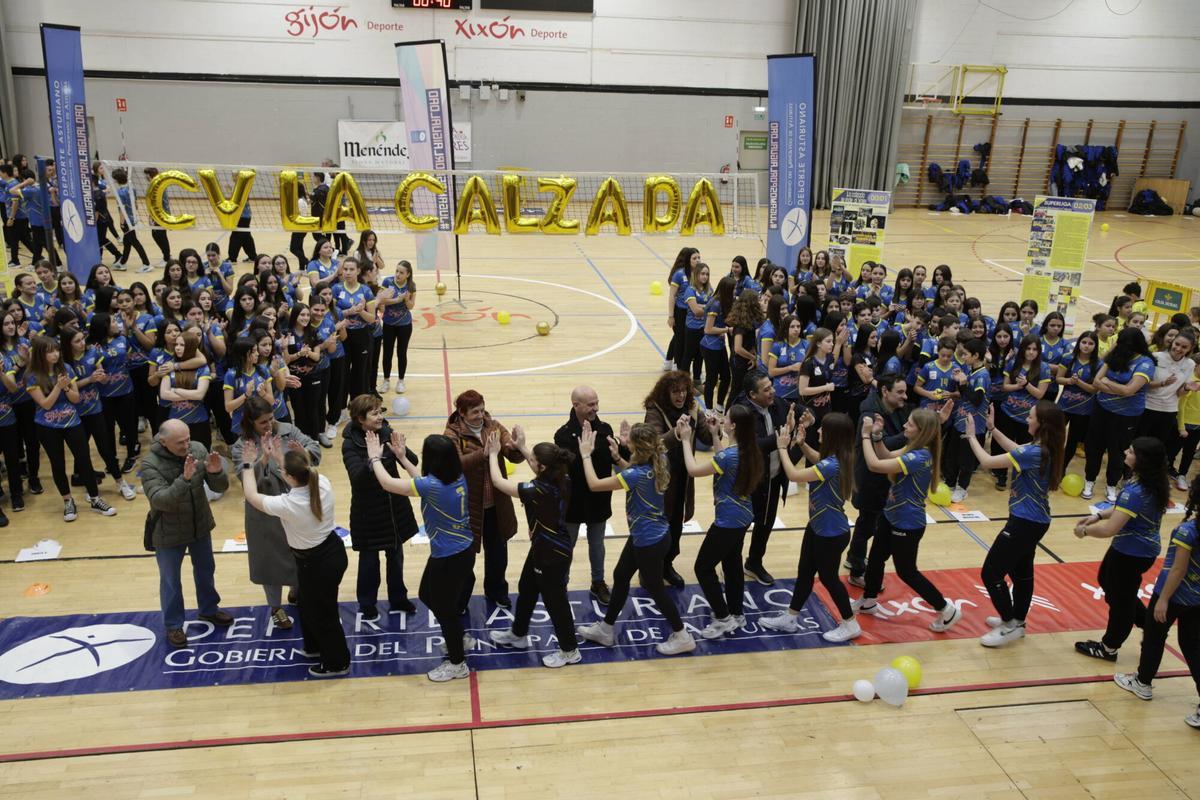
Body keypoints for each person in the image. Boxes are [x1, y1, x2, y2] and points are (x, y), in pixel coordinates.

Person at [575, 423, 696, 656]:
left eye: (629, 441)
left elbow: (594, 484)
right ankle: (606, 629)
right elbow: (631, 474)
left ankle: (682, 635)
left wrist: (586, 455)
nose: (626, 443)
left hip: (648, 540)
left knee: (655, 588)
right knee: (621, 576)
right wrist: (618, 457)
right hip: (654, 535)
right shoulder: (660, 459)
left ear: (637, 448)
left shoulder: (635, 474)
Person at [365, 429, 475, 683]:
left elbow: (388, 484)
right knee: (427, 594)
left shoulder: (433, 485)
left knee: (444, 610)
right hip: (459, 552)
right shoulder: (455, 477)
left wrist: (374, 458)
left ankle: (457, 662)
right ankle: (457, 636)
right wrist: (403, 459)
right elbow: (422, 482)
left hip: (450, 557)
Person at [239, 432, 349, 678]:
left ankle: (337, 663)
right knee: (308, 606)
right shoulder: (321, 482)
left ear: (288, 477)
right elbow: (301, 471)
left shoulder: (288, 505)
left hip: (317, 563)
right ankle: (313, 648)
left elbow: (251, 495)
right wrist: (281, 457)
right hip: (329, 553)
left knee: (325, 614)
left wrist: (248, 462)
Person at [964, 401, 1065, 647]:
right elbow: (1017, 449)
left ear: (1041, 424)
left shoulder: (1033, 452)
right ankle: (1017, 621)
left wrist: (971, 437)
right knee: (1021, 574)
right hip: (1034, 521)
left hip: (1025, 523)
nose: (1027, 420)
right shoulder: (1041, 448)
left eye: (1030, 417)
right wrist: (993, 429)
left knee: (991, 572)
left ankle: (1009, 623)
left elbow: (987, 462)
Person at [855, 408, 963, 633]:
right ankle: (869, 599)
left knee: (907, 571)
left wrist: (864, 435)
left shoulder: (918, 457)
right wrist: (876, 436)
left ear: (921, 431)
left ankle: (946, 609)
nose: (905, 425)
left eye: (910, 424)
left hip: (907, 523)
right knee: (875, 558)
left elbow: (875, 465)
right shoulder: (914, 449)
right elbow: (886, 456)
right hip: (891, 513)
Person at [759, 411, 861, 642]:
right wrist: (802, 444)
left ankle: (850, 623)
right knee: (805, 573)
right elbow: (817, 460)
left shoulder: (832, 465)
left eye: (823, 429)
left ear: (833, 436)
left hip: (830, 532)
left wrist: (783, 448)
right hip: (818, 526)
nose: (819, 431)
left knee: (829, 579)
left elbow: (794, 475)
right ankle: (791, 616)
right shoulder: (838, 458)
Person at [484, 431, 583, 669]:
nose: (531, 461)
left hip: (552, 554)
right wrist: (524, 447)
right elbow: (537, 463)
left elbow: (499, 483)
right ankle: (518, 634)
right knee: (526, 588)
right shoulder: (562, 477)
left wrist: (494, 455)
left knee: (555, 602)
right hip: (545, 547)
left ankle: (570, 650)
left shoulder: (537, 489)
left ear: (541, 466)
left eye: (533, 459)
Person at [1113, 479, 1200, 729]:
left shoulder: (1188, 531)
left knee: (1154, 636)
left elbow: (1178, 569)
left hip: (1174, 595)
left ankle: (1142, 683)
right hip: (1198, 599)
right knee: (1193, 647)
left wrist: (1163, 599)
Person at [1073, 437, 1169, 661]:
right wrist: (1097, 515)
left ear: (1141, 460)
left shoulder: (1136, 491)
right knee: (1107, 581)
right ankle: (1149, 625)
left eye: (1132, 451)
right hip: (1135, 550)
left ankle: (1109, 648)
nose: (1126, 451)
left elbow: (1109, 530)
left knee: (1120, 602)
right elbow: (1120, 509)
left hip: (1132, 553)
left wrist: (1085, 531)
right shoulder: (1149, 481)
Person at [141, 419, 232, 647]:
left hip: (199, 524)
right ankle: (173, 625)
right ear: (163, 442)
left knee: (206, 570)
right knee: (171, 581)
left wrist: (216, 471)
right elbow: (162, 501)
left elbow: (220, 487)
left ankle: (209, 609)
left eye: (188, 439)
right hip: (168, 531)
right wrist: (185, 479)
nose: (186, 445)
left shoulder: (198, 448)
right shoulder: (150, 464)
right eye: (180, 442)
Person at [232, 396, 321, 628]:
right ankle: (276, 607)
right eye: (263, 422)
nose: (269, 425)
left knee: (298, 554)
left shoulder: (288, 430)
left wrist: (302, 455)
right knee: (269, 561)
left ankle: (296, 591)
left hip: (294, 507)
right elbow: (246, 479)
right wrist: (262, 460)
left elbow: (314, 450)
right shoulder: (243, 445)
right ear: (250, 422)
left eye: (271, 419)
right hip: (264, 512)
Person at [678, 405, 762, 639]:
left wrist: (686, 440)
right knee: (732, 563)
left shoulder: (728, 455)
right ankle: (736, 613)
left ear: (733, 425)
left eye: (726, 419)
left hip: (728, 520)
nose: (722, 419)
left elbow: (693, 470)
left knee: (703, 567)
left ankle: (723, 618)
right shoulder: (748, 449)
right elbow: (725, 463)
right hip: (744, 515)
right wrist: (715, 435)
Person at [444, 390, 526, 608]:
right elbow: (455, 465)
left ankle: (497, 591)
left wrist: (516, 446)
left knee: (498, 554)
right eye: (475, 411)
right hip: (467, 507)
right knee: (465, 559)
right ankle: (460, 599)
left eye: (482, 409)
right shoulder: (452, 435)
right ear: (461, 413)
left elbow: (513, 455)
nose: (481, 415)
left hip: (497, 505)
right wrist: (485, 453)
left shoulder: (495, 427)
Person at [341, 393, 419, 618]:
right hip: (368, 513)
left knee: (396, 559)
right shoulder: (350, 445)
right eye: (374, 413)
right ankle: (367, 604)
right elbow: (356, 478)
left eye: (380, 411)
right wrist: (372, 459)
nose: (379, 416)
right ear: (360, 419)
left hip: (394, 508)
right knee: (368, 564)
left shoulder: (386, 432)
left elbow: (412, 462)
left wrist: (401, 452)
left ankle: (399, 599)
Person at [24, 334, 114, 521]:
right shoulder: (32, 377)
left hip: (72, 421)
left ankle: (95, 499)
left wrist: (66, 387)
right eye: (50, 352)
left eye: (57, 350)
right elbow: (46, 404)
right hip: (46, 425)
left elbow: (76, 398)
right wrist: (58, 386)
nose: (56, 354)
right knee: (58, 464)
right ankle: (68, 501)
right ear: (41, 354)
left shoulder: (66, 368)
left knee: (84, 460)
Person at [554, 385, 627, 604]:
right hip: (573, 502)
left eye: (596, 403)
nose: (596, 408)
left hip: (598, 500)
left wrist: (624, 447)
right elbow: (567, 469)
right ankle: (561, 584)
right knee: (568, 546)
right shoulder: (563, 435)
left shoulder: (605, 429)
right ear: (576, 405)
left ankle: (598, 582)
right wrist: (586, 451)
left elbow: (618, 462)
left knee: (597, 545)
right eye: (590, 404)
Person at [641, 370, 712, 586]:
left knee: (675, 526)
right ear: (666, 393)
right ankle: (648, 570)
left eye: (683, 391)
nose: (680, 396)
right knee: (657, 526)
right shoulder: (654, 409)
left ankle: (667, 564)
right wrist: (677, 432)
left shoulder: (692, 407)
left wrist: (714, 427)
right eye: (675, 392)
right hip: (659, 479)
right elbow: (654, 442)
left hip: (682, 477)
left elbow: (706, 438)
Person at [734, 371, 793, 585]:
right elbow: (752, 446)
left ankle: (754, 562)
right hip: (749, 480)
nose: (773, 391)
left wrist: (808, 416)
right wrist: (780, 438)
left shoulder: (776, 401)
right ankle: (731, 565)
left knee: (765, 523)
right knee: (739, 525)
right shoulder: (740, 412)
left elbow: (796, 409)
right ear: (752, 394)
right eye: (766, 389)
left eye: (772, 386)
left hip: (773, 476)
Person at [1084, 328, 1154, 503]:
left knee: (1118, 451)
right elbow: (1096, 381)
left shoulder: (1145, 363)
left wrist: (1108, 383)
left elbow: (1130, 390)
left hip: (1127, 415)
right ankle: (1089, 480)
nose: (1121, 346)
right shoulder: (1114, 356)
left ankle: (1111, 485)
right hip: (1102, 410)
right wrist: (1116, 388)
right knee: (1094, 447)